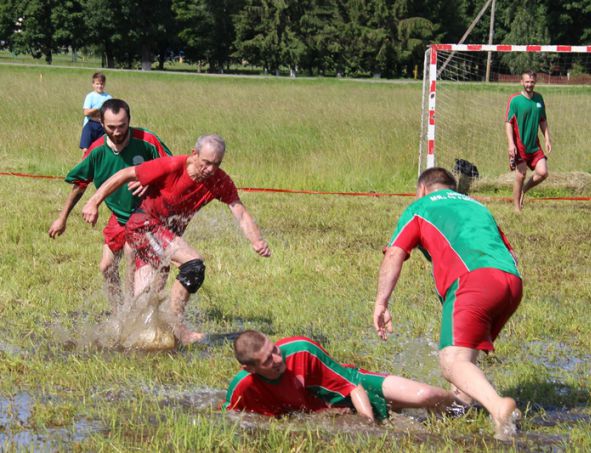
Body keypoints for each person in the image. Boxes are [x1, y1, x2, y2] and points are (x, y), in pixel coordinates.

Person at [372, 167, 523, 440]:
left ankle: (499, 408)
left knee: (450, 360)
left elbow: (395, 252)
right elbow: (509, 251)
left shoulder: (420, 206)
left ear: (422, 189)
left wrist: (381, 302)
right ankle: (461, 403)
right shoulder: (478, 206)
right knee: (464, 355)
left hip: (473, 280)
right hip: (512, 282)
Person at [80, 134, 271, 345]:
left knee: (145, 302)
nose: (210, 170)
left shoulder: (219, 180)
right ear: (194, 154)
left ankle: (121, 337)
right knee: (193, 265)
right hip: (144, 226)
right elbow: (125, 174)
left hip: (160, 236)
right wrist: (93, 202)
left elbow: (240, 211)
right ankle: (178, 327)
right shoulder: (173, 165)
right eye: (206, 163)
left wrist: (257, 241)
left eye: (216, 164)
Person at [49, 99, 172, 313]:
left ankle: (134, 311)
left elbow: (172, 169)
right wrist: (62, 218)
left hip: (148, 217)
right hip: (118, 217)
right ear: (100, 123)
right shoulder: (96, 151)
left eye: (122, 126)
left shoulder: (147, 141)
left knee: (131, 254)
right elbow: (80, 185)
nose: (117, 132)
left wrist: (150, 180)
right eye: (111, 127)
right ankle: (119, 313)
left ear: (129, 121)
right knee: (105, 267)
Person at [224, 330, 461, 422]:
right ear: (251, 369)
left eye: (274, 350)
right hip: (331, 408)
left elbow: (352, 387)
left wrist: (367, 423)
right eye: (267, 361)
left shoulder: (302, 350)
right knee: (409, 413)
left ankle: (464, 406)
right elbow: (230, 419)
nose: (278, 359)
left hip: (357, 385)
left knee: (426, 395)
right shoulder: (242, 388)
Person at [505, 70, 552, 212]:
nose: (529, 84)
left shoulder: (539, 98)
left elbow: (543, 120)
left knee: (543, 173)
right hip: (519, 145)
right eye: (527, 81)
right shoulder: (515, 100)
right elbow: (508, 123)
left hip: (534, 145)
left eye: (532, 82)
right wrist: (511, 144)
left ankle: (524, 190)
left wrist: (547, 139)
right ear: (521, 82)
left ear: (535, 82)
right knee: (521, 175)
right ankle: (516, 208)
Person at [80, 72, 112, 154]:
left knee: (100, 150)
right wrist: (98, 109)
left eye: (101, 84)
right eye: (97, 84)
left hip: (102, 125)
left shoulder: (108, 97)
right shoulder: (90, 96)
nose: (99, 86)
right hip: (90, 125)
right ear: (93, 84)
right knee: (86, 149)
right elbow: (86, 112)